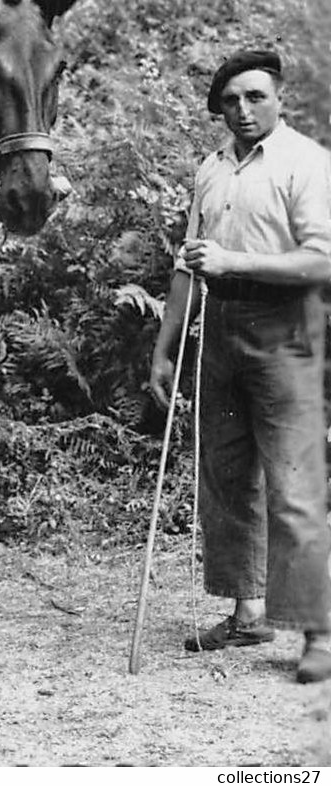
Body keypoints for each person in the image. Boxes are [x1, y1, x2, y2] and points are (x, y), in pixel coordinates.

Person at [149, 48, 331, 685]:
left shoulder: (306, 163)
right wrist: (165, 347)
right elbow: (188, 263)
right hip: (219, 328)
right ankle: (246, 610)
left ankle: (319, 632)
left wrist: (234, 264)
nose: (243, 110)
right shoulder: (212, 167)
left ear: (280, 98)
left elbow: (322, 262)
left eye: (255, 97)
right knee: (226, 477)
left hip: (287, 328)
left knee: (292, 481)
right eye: (230, 101)